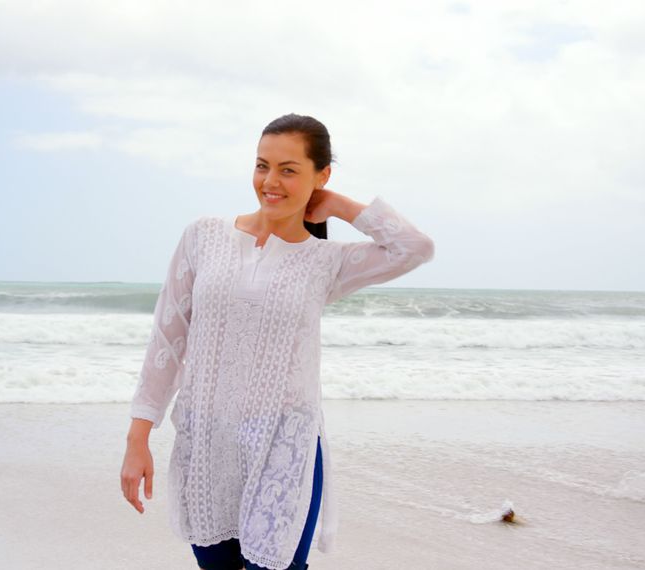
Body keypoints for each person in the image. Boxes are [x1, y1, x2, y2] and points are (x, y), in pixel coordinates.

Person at [120, 113, 435, 570]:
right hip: (207, 444)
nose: (270, 181)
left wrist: (341, 206)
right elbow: (167, 341)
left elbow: (415, 248)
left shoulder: (328, 261)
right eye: (262, 165)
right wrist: (138, 439)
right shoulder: (203, 237)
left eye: (289, 170)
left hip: (286, 447)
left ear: (321, 175)